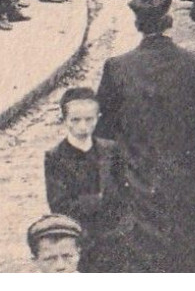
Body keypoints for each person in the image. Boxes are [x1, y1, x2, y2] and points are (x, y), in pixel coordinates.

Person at [93, 0, 195, 272]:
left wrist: (106, 182)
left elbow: (102, 134)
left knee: (142, 263)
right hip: (189, 183)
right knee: (190, 260)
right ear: (169, 23)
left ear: (137, 25)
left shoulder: (117, 68)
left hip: (134, 184)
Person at [43, 88, 133, 272]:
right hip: (81, 239)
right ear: (64, 120)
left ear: (98, 118)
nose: (83, 127)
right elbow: (59, 204)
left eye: (89, 120)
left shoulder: (111, 150)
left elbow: (125, 192)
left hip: (114, 238)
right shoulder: (56, 157)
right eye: (75, 120)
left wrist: (123, 228)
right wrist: (98, 202)